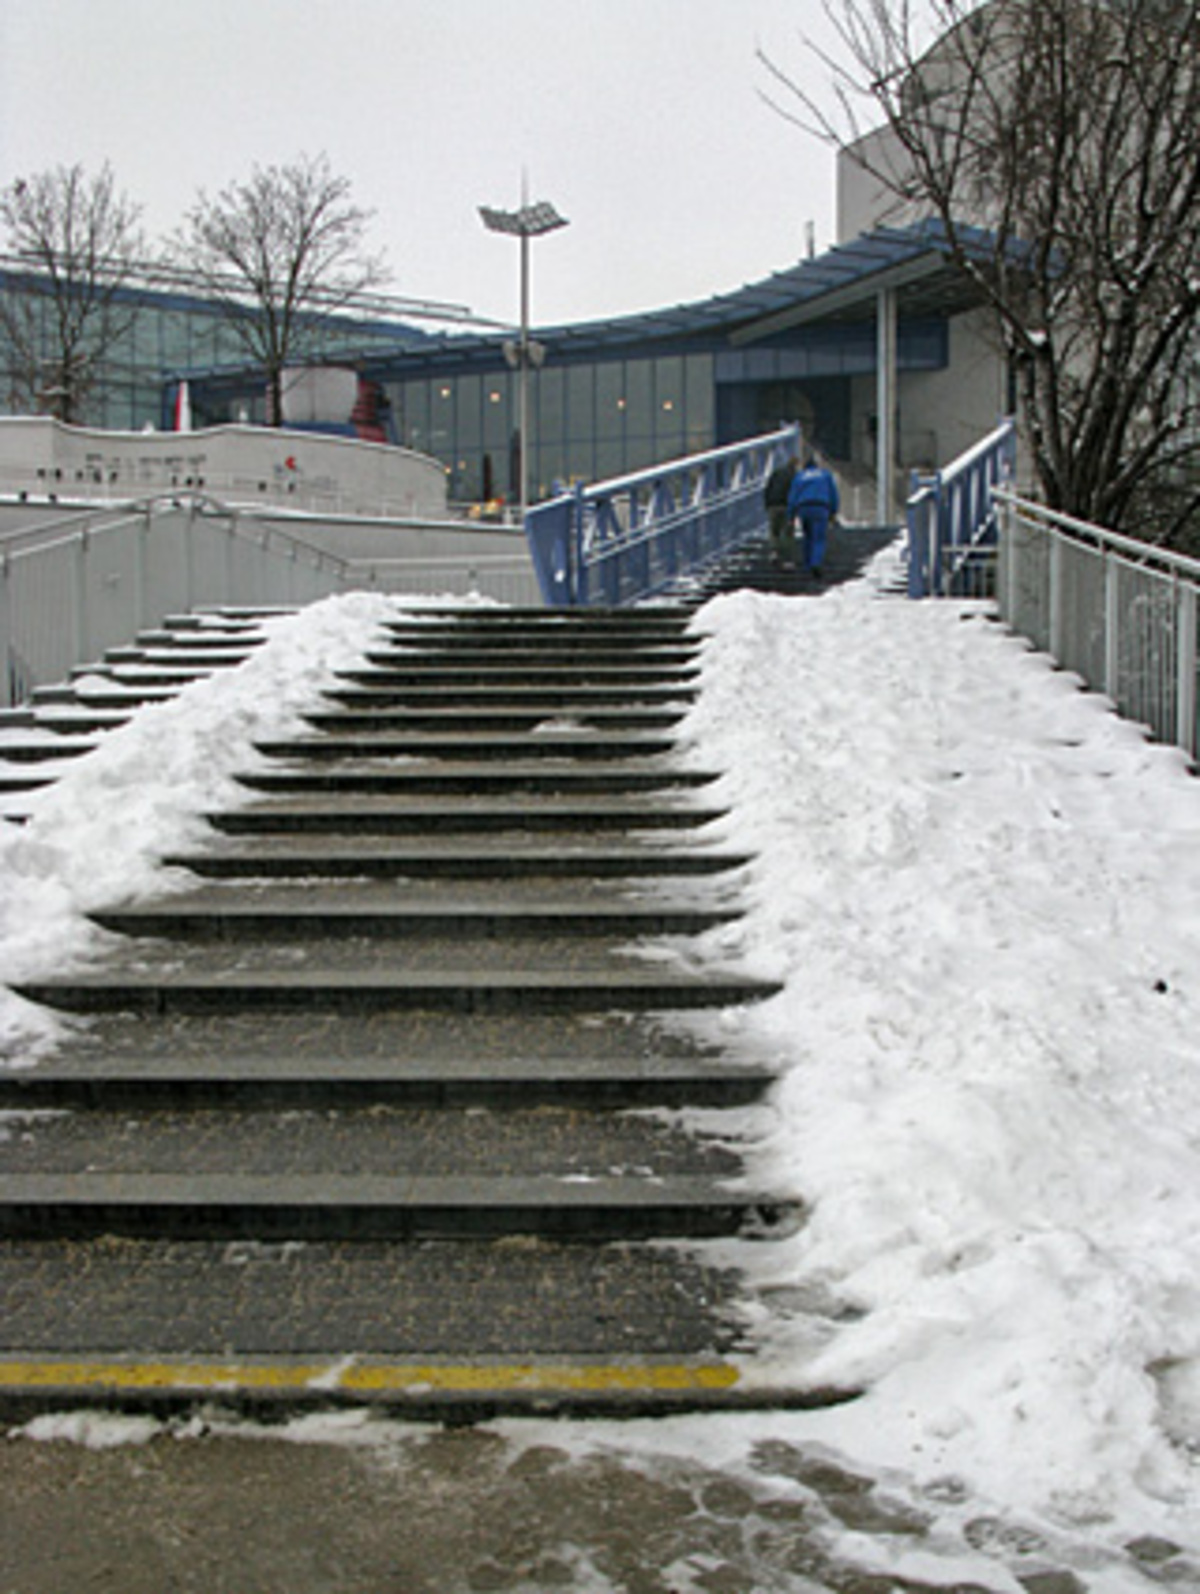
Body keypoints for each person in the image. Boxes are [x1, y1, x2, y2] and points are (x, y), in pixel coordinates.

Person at [787, 454, 840, 579]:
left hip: (803, 507)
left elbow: (792, 496)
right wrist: (833, 512)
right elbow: (833, 494)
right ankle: (815, 563)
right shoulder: (825, 475)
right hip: (821, 507)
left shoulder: (799, 477)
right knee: (819, 538)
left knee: (807, 536)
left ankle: (807, 564)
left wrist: (791, 515)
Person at [762, 454, 798, 560]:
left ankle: (774, 552)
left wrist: (767, 504)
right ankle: (786, 557)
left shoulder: (776, 472)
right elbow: (795, 493)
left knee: (774, 531)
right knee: (787, 532)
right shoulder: (794, 476)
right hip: (785, 505)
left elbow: (768, 488)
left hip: (773, 504)